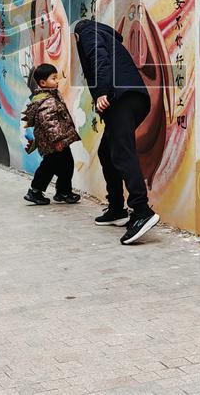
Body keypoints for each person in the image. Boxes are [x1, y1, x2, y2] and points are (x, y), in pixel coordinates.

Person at [73, 18, 160, 246]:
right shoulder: (106, 35)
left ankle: (141, 211)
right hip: (131, 98)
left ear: (76, 37)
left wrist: (102, 91)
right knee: (107, 152)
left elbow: (98, 58)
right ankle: (116, 209)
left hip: (120, 98)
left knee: (122, 152)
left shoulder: (88, 33)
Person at [22, 63, 81, 205]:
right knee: (49, 166)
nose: (57, 80)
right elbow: (49, 122)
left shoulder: (51, 95)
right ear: (43, 83)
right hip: (54, 143)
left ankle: (63, 192)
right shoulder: (47, 100)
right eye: (54, 78)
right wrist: (57, 140)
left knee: (65, 165)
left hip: (56, 141)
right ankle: (36, 191)